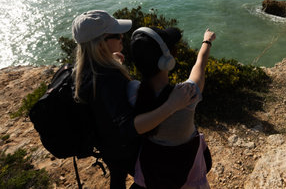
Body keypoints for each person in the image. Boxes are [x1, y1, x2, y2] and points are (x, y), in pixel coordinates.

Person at [71, 10, 198, 189]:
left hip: (104, 143)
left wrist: (112, 61)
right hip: (123, 149)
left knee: (117, 176)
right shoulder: (108, 78)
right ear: (100, 45)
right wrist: (172, 105)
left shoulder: (84, 70)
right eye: (115, 35)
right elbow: (130, 127)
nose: (122, 36)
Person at [128, 26, 216, 189]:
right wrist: (207, 41)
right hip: (188, 177)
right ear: (167, 60)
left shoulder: (131, 92)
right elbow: (200, 65)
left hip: (151, 175)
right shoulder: (186, 95)